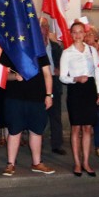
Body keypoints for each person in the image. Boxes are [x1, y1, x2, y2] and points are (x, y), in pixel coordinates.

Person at [0, 40, 55, 177]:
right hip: (15, 98)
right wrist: (14, 76)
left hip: (37, 98)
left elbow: (47, 74)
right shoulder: (10, 51)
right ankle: (10, 164)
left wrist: (49, 95)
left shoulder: (39, 52)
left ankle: (37, 162)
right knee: (14, 130)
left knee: (36, 130)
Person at [59, 22, 99, 177]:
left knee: (87, 128)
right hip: (76, 90)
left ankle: (86, 162)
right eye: (74, 32)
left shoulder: (92, 50)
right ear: (71, 34)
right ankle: (77, 163)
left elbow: (98, 72)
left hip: (90, 90)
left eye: (80, 32)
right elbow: (62, 77)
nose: (78, 35)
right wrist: (76, 79)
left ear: (85, 33)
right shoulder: (67, 53)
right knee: (76, 128)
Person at [40, 17, 66, 155]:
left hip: (54, 85)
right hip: (39, 85)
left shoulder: (56, 47)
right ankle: (38, 143)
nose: (40, 29)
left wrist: (59, 70)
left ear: (47, 29)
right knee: (40, 116)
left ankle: (57, 145)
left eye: (43, 26)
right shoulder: (34, 48)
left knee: (55, 116)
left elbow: (63, 66)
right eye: (38, 27)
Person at [84, 26, 99, 159]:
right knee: (85, 120)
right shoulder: (81, 50)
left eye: (91, 34)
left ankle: (98, 146)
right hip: (85, 89)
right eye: (86, 34)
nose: (88, 37)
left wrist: (98, 51)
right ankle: (85, 145)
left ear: (96, 37)